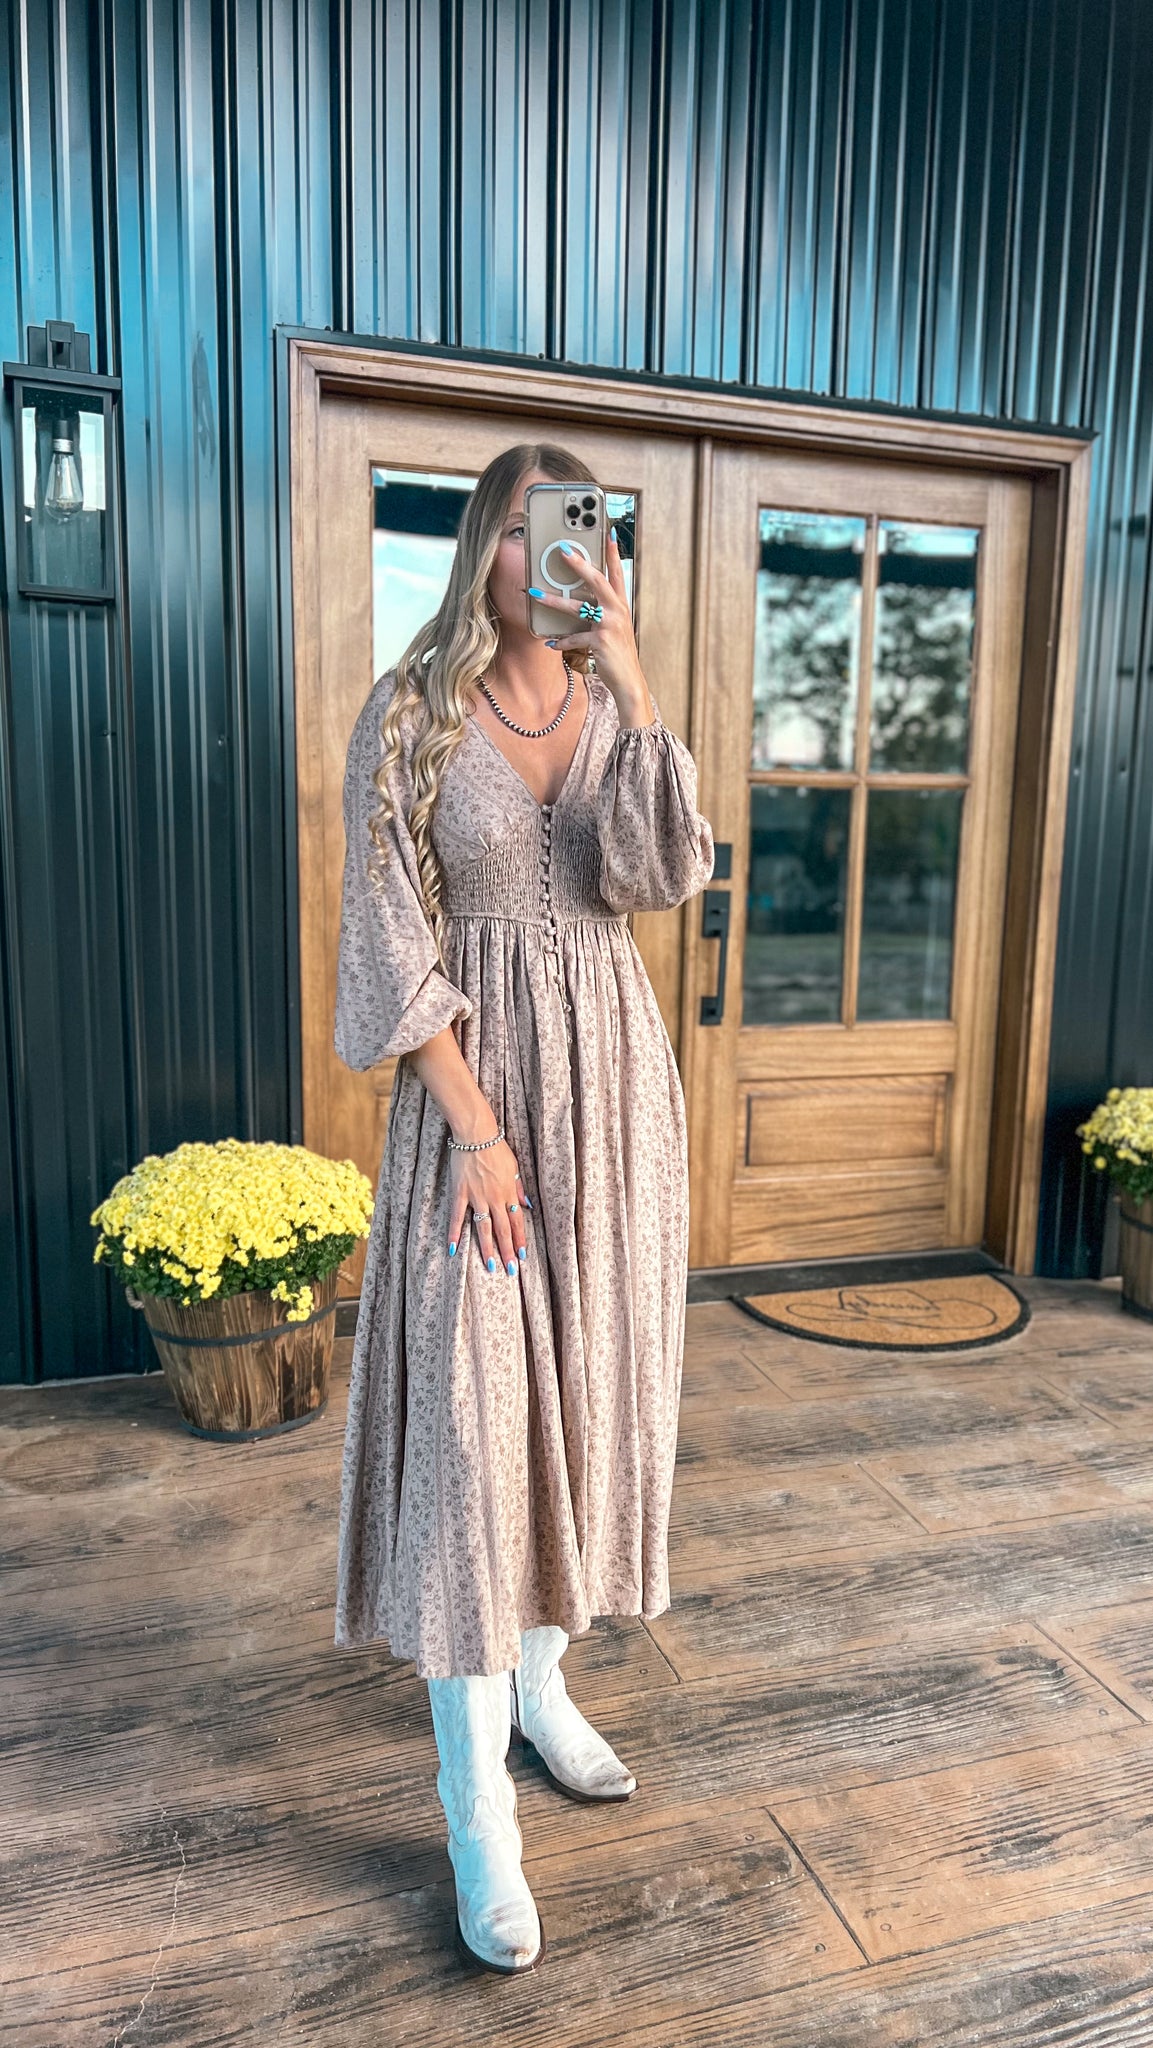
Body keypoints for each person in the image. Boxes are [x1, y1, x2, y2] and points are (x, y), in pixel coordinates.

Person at [332, 442, 715, 1973]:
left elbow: (660, 874)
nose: (560, 555)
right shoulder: (408, 713)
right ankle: (473, 1816)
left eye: (586, 529)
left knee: (586, 1404)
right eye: (531, 530)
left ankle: (542, 1689)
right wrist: (477, 1133)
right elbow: (388, 939)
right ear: (484, 545)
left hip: (613, 1099)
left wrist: (635, 673)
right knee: (475, 1439)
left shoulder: (613, 705)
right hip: (472, 1114)